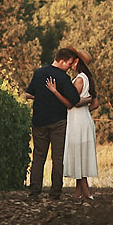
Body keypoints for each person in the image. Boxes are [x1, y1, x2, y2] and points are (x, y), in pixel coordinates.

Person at [26, 51, 77, 197]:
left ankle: (34, 190)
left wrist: (42, 96)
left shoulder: (39, 73)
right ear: (62, 61)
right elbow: (74, 99)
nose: (70, 67)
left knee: (38, 156)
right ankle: (55, 191)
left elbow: (29, 93)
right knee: (58, 157)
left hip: (39, 120)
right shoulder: (63, 77)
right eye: (69, 63)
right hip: (57, 121)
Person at [58, 47, 99, 193]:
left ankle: (85, 191)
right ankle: (79, 192)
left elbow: (72, 101)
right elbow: (95, 104)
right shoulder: (88, 79)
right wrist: (85, 108)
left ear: (77, 62)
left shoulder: (79, 79)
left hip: (77, 121)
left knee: (78, 153)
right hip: (84, 118)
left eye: (73, 60)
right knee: (81, 153)